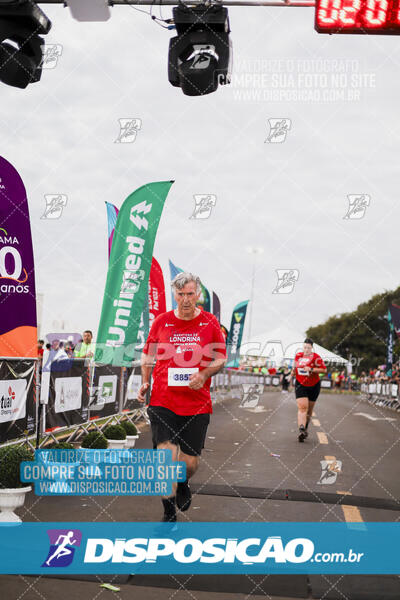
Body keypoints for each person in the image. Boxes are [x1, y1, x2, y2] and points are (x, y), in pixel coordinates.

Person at [137, 272, 227, 522]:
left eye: (190, 294)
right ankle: (168, 512)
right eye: (180, 294)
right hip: (163, 401)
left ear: (197, 294)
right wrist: (145, 381)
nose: (185, 300)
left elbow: (220, 358)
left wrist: (205, 373)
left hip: (196, 405)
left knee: (189, 464)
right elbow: (148, 356)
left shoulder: (209, 323)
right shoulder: (161, 322)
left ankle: (182, 481)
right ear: (174, 294)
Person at [290, 338, 327, 442]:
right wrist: (292, 372)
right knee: (302, 407)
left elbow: (324, 370)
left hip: (314, 385)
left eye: (308, 348)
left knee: (309, 410)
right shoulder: (298, 355)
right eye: (305, 347)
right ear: (303, 347)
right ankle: (301, 429)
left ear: (312, 348)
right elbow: (295, 367)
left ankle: (305, 427)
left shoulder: (316, 357)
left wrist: (311, 369)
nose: (306, 350)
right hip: (300, 384)